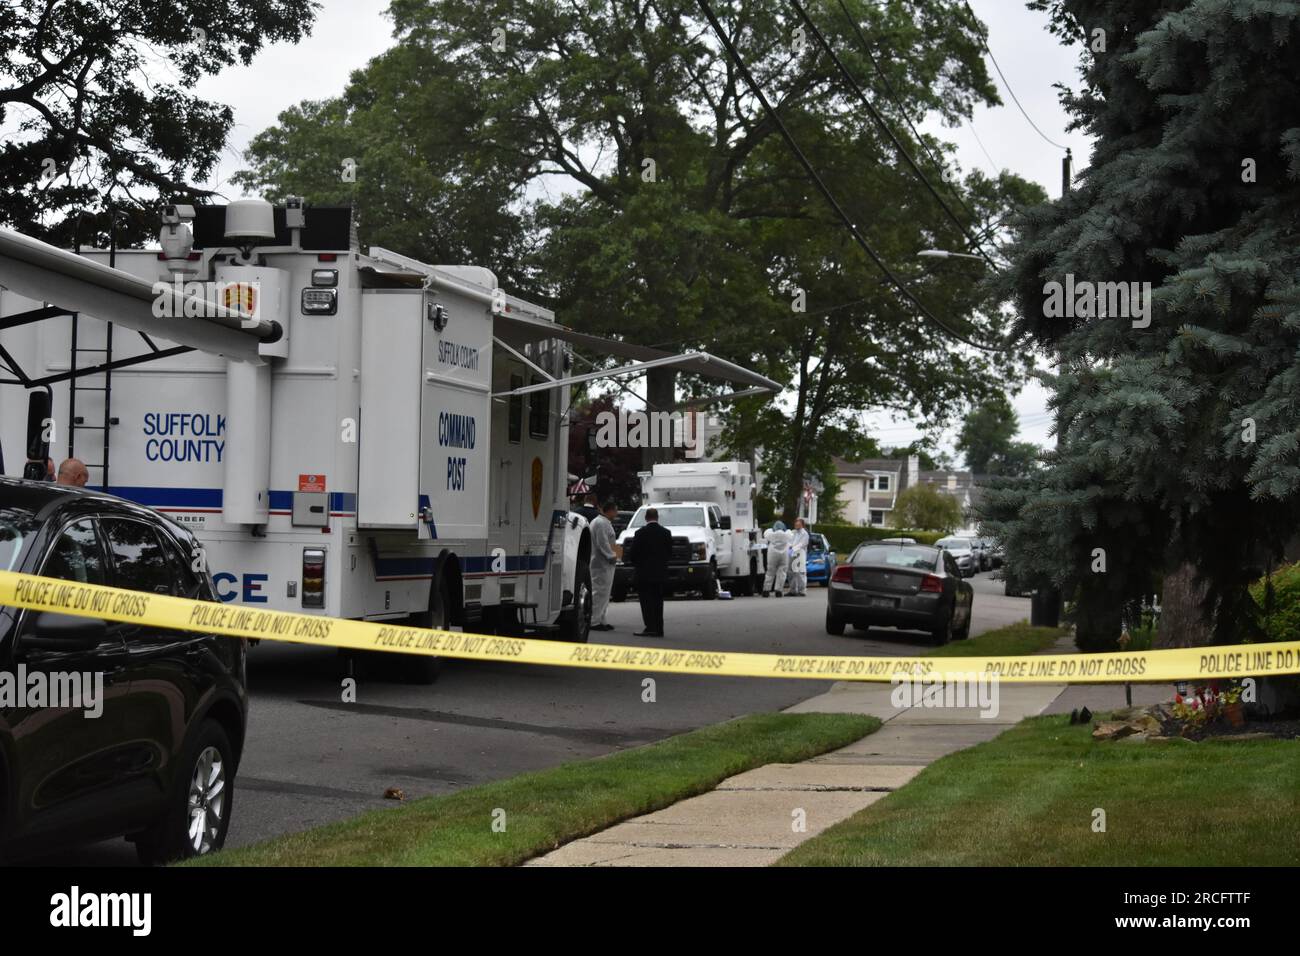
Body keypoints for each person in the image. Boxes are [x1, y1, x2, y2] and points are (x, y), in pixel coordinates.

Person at [630, 507, 672, 637]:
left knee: (646, 601)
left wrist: (637, 564)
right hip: (660, 573)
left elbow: (633, 553)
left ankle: (650, 627)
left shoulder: (640, 533)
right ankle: (659, 628)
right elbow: (669, 553)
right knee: (658, 601)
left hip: (644, 573)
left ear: (646, 518)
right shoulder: (666, 533)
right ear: (657, 517)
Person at [589, 501, 621, 632]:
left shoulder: (603, 522)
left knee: (605, 593)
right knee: (599, 592)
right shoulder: (600, 523)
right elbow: (602, 542)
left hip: (604, 563)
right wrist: (611, 556)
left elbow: (609, 542)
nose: (617, 513)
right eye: (615, 510)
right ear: (610, 511)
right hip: (601, 563)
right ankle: (594, 621)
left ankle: (601, 619)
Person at [762, 520, 792, 597]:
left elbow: (766, 533)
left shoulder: (770, 534)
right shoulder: (787, 534)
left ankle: (766, 590)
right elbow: (791, 535)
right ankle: (778, 590)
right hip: (784, 554)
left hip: (772, 554)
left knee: (770, 572)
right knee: (782, 572)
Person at [789, 517, 810, 596]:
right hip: (791, 554)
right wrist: (789, 548)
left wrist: (792, 548)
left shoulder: (804, 534)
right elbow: (789, 541)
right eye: (796, 523)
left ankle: (802, 590)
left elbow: (802, 544)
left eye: (798, 524)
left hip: (800, 554)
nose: (796, 525)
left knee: (800, 572)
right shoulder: (792, 532)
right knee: (791, 572)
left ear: (802, 525)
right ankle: (793, 590)